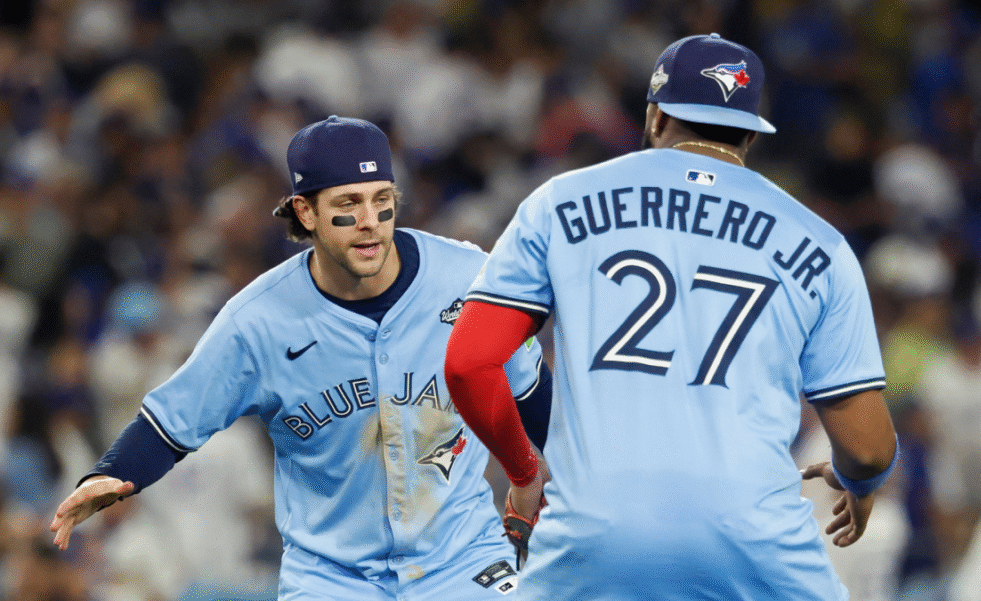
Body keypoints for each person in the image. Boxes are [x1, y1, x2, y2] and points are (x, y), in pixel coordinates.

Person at [444, 33, 899, 599]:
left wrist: (522, 471)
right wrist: (862, 483)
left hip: (592, 540)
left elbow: (468, 362)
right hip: (752, 545)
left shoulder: (557, 203)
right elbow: (869, 444)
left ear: (657, 116)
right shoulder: (821, 244)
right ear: (752, 133)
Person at [49, 116, 553, 600]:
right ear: (305, 211)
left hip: (463, 561)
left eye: (382, 201)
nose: (369, 222)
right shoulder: (258, 320)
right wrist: (106, 475)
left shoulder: (467, 277)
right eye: (348, 203)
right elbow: (169, 425)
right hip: (331, 578)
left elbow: (531, 389)